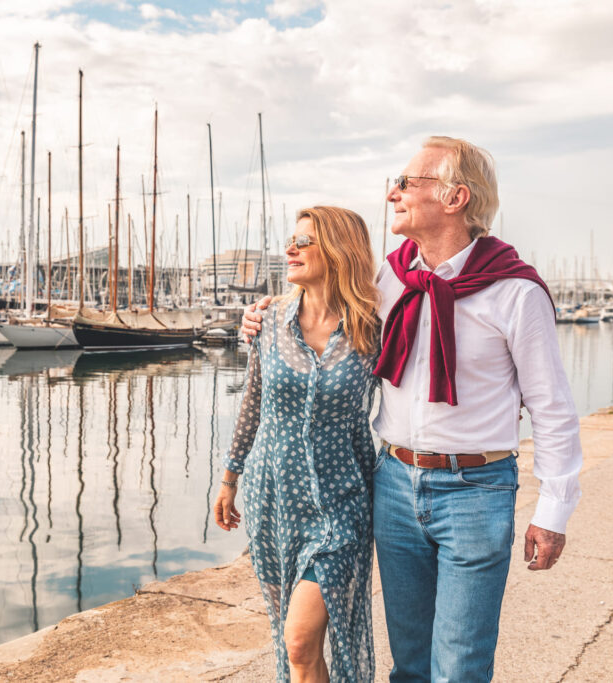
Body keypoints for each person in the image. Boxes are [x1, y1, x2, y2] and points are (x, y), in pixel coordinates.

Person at [241, 137, 582, 682]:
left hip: (477, 489)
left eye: (406, 183)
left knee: (460, 666)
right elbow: (320, 306)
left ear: (455, 197)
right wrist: (260, 315)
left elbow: (552, 407)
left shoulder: (515, 293)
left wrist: (554, 511)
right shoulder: (388, 281)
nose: (392, 194)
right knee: (411, 664)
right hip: (394, 483)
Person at [214, 206, 381, 682]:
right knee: (294, 648)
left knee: (300, 638)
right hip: (275, 502)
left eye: (305, 241)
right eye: (292, 239)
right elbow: (254, 400)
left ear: (338, 251)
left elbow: (412, 401)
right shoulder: (268, 320)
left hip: (341, 503)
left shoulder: (372, 328)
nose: (291, 249)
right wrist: (230, 478)